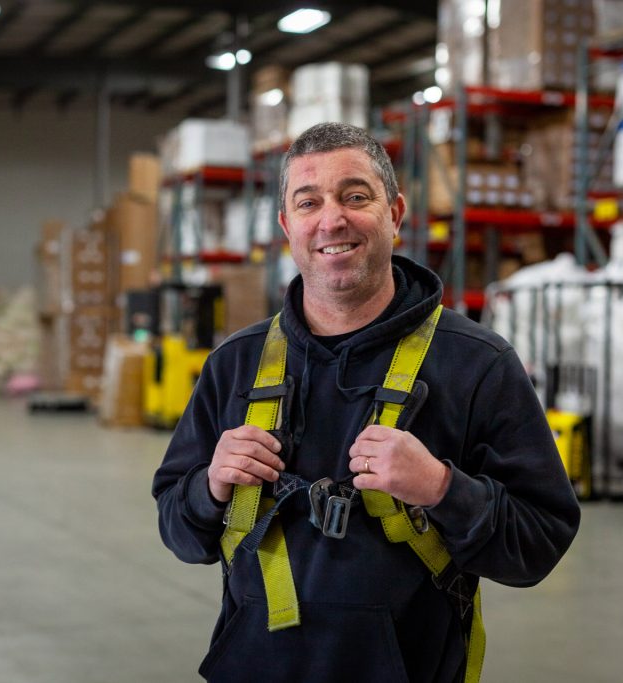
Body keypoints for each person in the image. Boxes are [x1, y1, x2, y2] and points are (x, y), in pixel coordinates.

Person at [153, 122, 580, 683]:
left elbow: (539, 541)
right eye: (309, 203)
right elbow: (178, 530)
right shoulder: (235, 364)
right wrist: (210, 486)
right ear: (287, 226)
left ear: (395, 214)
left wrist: (442, 489)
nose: (332, 220)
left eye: (356, 197)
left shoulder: (477, 365)